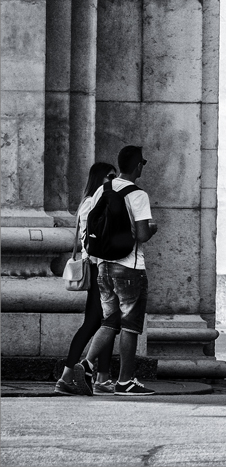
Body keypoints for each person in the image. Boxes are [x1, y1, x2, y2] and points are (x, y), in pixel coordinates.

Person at [78, 145, 159, 396]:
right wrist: (152, 228)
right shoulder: (138, 195)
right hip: (129, 267)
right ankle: (125, 381)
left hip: (102, 266)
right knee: (130, 326)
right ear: (138, 166)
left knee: (110, 320)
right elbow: (143, 235)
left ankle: (86, 364)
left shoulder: (102, 189)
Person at [54, 162, 118, 396]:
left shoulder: (91, 201)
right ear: (100, 178)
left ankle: (101, 377)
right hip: (97, 266)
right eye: (110, 176)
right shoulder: (93, 202)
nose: (113, 179)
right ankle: (68, 376)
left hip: (98, 266)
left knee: (105, 323)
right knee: (97, 323)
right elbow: (94, 236)